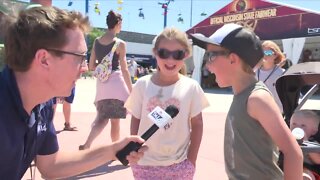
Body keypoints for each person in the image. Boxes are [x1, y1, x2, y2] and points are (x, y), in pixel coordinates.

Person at [0, 6, 146, 179]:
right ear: (44, 59)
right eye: (80, 57)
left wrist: (113, 150)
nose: (85, 68)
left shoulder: (42, 103)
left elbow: (51, 166)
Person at [191, 23, 303, 180]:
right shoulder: (241, 94)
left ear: (233, 59)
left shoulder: (257, 99)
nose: (207, 64)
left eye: (211, 56)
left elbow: (293, 153)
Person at [125, 27, 209, 179]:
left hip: (180, 164)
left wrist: (192, 160)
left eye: (177, 54)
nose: (170, 60)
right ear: (155, 52)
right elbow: (136, 119)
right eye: (164, 53)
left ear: (186, 55)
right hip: (144, 164)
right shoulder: (142, 85)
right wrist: (134, 154)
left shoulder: (191, 87)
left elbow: (197, 124)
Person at [79, 10, 132, 150]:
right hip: (117, 84)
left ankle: (88, 143)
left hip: (102, 85)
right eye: (121, 24)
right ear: (118, 23)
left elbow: (91, 66)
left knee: (102, 118)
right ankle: (116, 148)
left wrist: (103, 67)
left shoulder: (97, 42)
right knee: (115, 122)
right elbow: (125, 69)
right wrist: (131, 90)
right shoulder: (120, 44)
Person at [255, 40, 286, 113]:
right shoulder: (254, 72)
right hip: (257, 111)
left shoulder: (282, 73)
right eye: (262, 53)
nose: (264, 55)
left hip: (276, 112)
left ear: (276, 55)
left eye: (268, 53)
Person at [290, 110, 320, 180]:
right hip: (288, 165)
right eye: (294, 124)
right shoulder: (285, 138)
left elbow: (318, 160)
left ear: (314, 131)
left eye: (303, 126)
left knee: (305, 176)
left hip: (307, 168)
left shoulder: (313, 143)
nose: (297, 128)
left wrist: (306, 142)